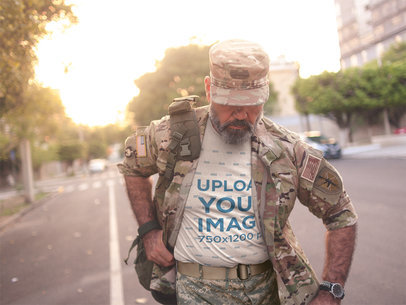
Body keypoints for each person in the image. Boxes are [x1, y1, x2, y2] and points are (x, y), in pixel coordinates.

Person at [118, 39, 358, 305]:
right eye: (230, 104)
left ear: (265, 93)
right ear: (209, 90)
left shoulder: (288, 150)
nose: (242, 114)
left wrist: (331, 291)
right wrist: (149, 230)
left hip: (266, 293)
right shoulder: (171, 135)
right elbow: (133, 167)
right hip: (192, 292)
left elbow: (341, 215)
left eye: (252, 104)